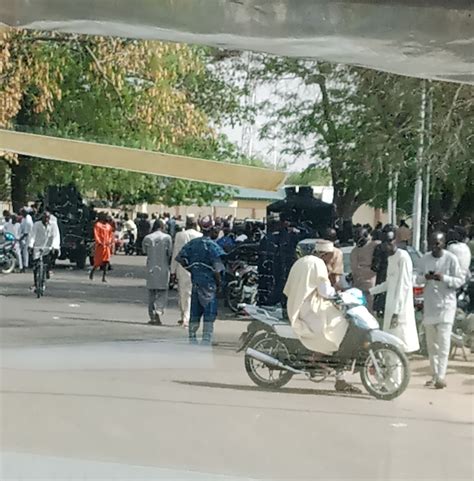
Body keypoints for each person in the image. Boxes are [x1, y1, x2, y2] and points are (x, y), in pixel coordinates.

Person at [284, 239, 360, 393]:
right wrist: (339, 294)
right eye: (331, 256)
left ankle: (323, 359)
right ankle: (318, 356)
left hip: (297, 304)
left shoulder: (301, 262)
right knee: (340, 324)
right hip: (310, 307)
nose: (332, 259)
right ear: (325, 254)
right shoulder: (318, 264)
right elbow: (325, 291)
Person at [417, 232, 464, 389]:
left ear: (443, 243)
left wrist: (444, 278)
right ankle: (435, 374)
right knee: (432, 345)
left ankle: (441, 376)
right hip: (430, 305)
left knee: (444, 343)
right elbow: (417, 278)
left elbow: (459, 280)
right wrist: (426, 277)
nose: (435, 246)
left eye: (438, 243)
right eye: (432, 243)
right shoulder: (425, 259)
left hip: (446, 306)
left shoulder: (451, 259)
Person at [176, 216, 226, 345]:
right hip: (209, 285)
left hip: (196, 282)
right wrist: (220, 283)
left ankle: (192, 338)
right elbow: (218, 268)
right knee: (209, 313)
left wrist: (192, 268)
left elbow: (180, 258)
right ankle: (206, 340)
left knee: (195, 312)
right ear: (212, 228)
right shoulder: (212, 246)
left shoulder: (193, 244)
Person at [370, 231, 419, 353]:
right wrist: (370, 291)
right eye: (385, 242)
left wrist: (396, 312)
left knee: (399, 346)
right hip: (390, 306)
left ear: (395, 241)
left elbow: (403, 286)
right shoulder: (390, 258)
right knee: (389, 345)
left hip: (400, 309)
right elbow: (389, 283)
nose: (388, 245)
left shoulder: (403, 257)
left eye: (390, 241)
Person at [171, 216, 202, 327]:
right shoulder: (200, 236)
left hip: (183, 268)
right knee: (192, 294)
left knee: (183, 293)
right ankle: (188, 317)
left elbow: (176, 253)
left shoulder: (180, 235)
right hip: (197, 268)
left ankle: (184, 317)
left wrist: (172, 270)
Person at [142, 219, 172, 325]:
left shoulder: (147, 238)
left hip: (151, 268)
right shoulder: (167, 238)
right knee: (162, 292)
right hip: (163, 268)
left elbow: (144, 251)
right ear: (163, 226)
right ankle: (158, 311)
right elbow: (170, 253)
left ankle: (152, 316)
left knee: (151, 293)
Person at [350, 228, 378, 311]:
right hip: (365, 282)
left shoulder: (374, 246)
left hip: (364, 282)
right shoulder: (373, 246)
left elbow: (354, 268)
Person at [28, 211, 55, 291]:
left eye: (48, 217)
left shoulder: (53, 225)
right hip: (37, 247)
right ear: (42, 218)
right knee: (36, 267)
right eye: (45, 217)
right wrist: (30, 245)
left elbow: (55, 236)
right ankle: (36, 284)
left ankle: (45, 277)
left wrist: (54, 246)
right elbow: (32, 236)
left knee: (47, 263)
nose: (46, 219)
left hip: (47, 247)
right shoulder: (37, 225)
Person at [89, 212, 113, 282]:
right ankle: (92, 273)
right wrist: (99, 242)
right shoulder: (98, 225)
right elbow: (96, 234)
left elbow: (110, 235)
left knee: (106, 261)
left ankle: (104, 277)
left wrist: (109, 241)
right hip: (100, 246)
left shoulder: (109, 226)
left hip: (107, 246)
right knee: (98, 262)